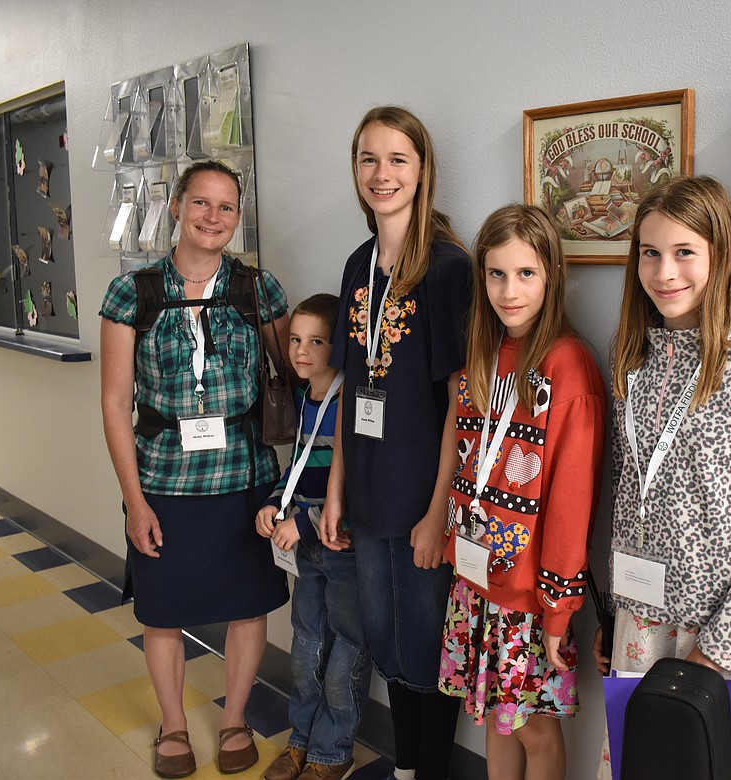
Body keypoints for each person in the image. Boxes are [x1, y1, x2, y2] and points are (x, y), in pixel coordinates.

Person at [593, 176, 731, 780]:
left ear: (727, 255)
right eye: (650, 253)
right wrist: (611, 613)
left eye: (684, 252)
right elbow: (626, 497)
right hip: (637, 622)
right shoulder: (629, 356)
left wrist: (718, 648)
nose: (665, 272)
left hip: (715, 634)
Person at [100, 160, 290, 779]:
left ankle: (234, 718)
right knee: (163, 611)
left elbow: (295, 375)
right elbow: (113, 400)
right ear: (178, 205)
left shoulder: (258, 290)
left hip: (245, 480)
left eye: (227, 207)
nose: (213, 217)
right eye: (201, 203)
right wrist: (134, 502)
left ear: (238, 216)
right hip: (163, 480)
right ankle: (174, 725)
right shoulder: (133, 292)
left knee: (246, 606)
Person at [319, 106, 472, 780]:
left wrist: (439, 510)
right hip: (367, 492)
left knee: (429, 649)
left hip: (420, 498)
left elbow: (461, 402)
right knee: (390, 648)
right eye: (369, 159)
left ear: (423, 170)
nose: (382, 174)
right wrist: (333, 489)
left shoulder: (447, 269)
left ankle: (428, 771)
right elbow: (353, 385)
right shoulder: (358, 264)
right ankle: (407, 769)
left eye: (397, 159)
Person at [439, 205, 606, 780]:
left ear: (551, 276)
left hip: (531, 596)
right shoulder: (483, 358)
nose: (509, 291)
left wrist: (558, 610)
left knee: (534, 726)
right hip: (476, 578)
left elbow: (570, 506)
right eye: (496, 275)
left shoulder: (568, 368)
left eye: (526, 274)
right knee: (494, 716)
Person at [256, 294, 370, 780]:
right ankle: (300, 740)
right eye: (295, 340)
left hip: (343, 551)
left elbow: (359, 487)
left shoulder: (352, 402)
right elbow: (299, 467)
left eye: (316, 341)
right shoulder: (305, 398)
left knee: (345, 653)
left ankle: (332, 749)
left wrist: (300, 521)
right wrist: (274, 503)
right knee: (304, 650)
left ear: (338, 345)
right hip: (306, 549)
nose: (301, 351)